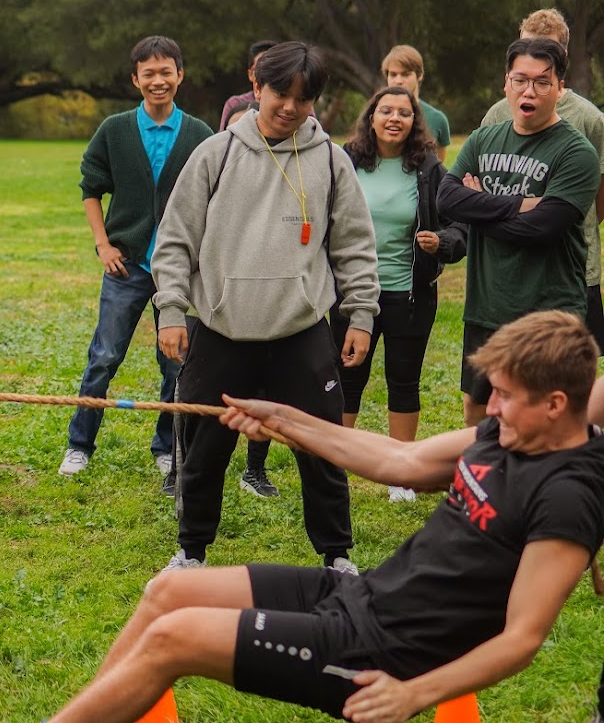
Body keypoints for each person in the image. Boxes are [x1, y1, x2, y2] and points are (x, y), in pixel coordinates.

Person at [52, 310, 604, 723]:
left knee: (174, 637)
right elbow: (398, 459)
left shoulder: (567, 496)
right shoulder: (503, 436)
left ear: (556, 404)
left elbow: (523, 637)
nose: (491, 408)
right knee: (166, 594)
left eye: (507, 396)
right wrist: (285, 419)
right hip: (362, 598)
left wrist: (414, 694)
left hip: (383, 651)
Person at [152, 41, 379, 573]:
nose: (290, 107)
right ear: (257, 88)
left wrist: (362, 315)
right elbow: (176, 240)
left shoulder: (329, 159)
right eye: (281, 93)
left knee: (322, 449)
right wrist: (170, 309)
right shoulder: (216, 153)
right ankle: (191, 551)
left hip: (300, 330)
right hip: (221, 327)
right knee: (203, 447)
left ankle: (336, 556)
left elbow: (353, 245)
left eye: (304, 98)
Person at [58, 36, 213, 496]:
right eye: (149, 73)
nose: (158, 81)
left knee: (176, 362)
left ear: (180, 75)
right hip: (127, 264)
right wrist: (103, 244)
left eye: (166, 72)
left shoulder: (200, 135)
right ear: (135, 80)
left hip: (180, 269)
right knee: (104, 356)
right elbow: (91, 187)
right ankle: (80, 443)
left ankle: (167, 446)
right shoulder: (115, 129)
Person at [437, 37, 600, 426]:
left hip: (549, 310)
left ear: (560, 88)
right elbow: (446, 199)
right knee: (478, 409)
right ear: (505, 84)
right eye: (520, 79)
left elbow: (541, 228)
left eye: (543, 82)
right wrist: (517, 204)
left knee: (548, 414)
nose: (530, 91)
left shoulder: (576, 153)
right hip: (487, 306)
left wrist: (479, 207)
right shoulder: (483, 138)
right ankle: (486, 484)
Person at [329, 87, 466, 502]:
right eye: (385, 110)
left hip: (409, 294)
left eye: (403, 113)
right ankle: (335, 470)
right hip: (352, 295)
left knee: (402, 381)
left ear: (414, 121)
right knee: (347, 378)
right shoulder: (346, 162)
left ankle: (401, 476)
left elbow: (460, 230)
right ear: (371, 117)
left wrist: (439, 242)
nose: (394, 118)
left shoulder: (428, 169)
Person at [478, 9, 604, 353]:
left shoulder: (590, 119)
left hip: (575, 269)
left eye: (545, 51)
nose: (535, 61)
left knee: (570, 366)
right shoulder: (497, 114)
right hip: (506, 271)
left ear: (561, 59)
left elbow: (598, 197)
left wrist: (562, 218)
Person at [217, 39, 281, 494]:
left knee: (268, 384)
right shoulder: (235, 116)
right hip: (231, 279)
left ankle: (254, 469)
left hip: (278, 277)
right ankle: (189, 470)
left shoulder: (306, 128)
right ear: (254, 79)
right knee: (211, 387)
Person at [381, 45, 452, 162]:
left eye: (405, 74)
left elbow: (438, 171)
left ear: (419, 75)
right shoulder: (374, 116)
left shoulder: (437, 119)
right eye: (393, 74)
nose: (398, 81)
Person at [218, 40, 278, 132]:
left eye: (274, 68)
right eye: (260, 68)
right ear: (250, 74)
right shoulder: (235, 104)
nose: (267, 74)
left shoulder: (294, 105)